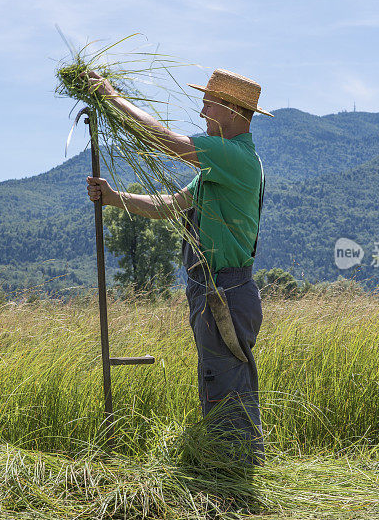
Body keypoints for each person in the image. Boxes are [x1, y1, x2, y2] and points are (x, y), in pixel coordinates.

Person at [85, 68, 271, 464]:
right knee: (219, 384)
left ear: (232, 111)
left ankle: (235, 477)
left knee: (225, 390)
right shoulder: (219, 167)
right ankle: (230, 473)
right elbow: (169, 205)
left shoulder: (232, 155)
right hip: (216, 292)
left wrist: (110, 95)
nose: (202, 109)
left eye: (208, 102)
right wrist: (115, 198)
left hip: (225, 291)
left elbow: (165, 141)